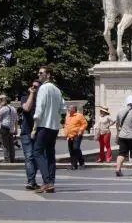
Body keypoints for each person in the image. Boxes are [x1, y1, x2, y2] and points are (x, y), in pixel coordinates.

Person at [32, 65, 66, 193]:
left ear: (48, 75)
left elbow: (39, 109)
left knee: (37, 152)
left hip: (43, 125)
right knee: (50, 154)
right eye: (39, 73)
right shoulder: (57, 90)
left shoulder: (43, 89)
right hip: (54, 126)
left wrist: (34, 128)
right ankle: (51, 182)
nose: (39, 75)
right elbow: (63, 109)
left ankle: (46, 182)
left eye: (41, 73)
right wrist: (55, 115)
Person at [20, 81, 41, 189]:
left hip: (39, 132)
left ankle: (32, 181)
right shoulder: (25, 98)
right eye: (32, 85)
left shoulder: (41, 101)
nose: (33, 87)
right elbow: (26, 108)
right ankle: (31, 181)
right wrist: (32, 94)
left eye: (36, 87)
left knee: (37, 157)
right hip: (26, 132)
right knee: (29, 157)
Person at [0, 94, 18, 163]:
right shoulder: (13, 108)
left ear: (3, 101)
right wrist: (16, 129)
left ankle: (6, 159)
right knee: (11, 145)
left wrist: (0, 106)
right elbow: (16, 120)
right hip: (10, 129)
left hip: (4, 128)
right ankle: (12, 159)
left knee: (5, 145)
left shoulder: (4, 108)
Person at [64, 105, 87, 170]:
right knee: (71, 150)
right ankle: (74, 165)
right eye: (68, 108)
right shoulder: (67, 116)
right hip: (70, 136)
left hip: (77, 135)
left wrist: (80, 130)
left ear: (74, 109)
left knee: (76, 148)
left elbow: (84, 124)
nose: (68, 109)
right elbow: (66, 125)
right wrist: (66, 133)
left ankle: (82, 163)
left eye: (70, 108)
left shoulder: (79, 116)